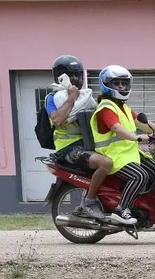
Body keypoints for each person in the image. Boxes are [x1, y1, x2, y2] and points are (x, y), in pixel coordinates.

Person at [90, 65, 155, 225]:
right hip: (114, 156)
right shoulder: (106, 108)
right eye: (117, 83)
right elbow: (116, 128)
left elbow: (144, 124)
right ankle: (122, 209)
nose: (121, 87)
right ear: (107, 85)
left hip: (130, 154)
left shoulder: (124, 108)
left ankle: (141, 206)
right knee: (139, 176)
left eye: (124, 83)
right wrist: (137, 138)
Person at [46, 55, 113, 219]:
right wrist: (71, 98)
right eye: (71, 75)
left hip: (88, 146)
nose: (75, 78)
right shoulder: (53, 98)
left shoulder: (85, 97)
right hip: (68, 149)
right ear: (60, 76)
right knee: (105, 163)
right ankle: (89, 202)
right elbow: (57, 119)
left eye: (77, 74)